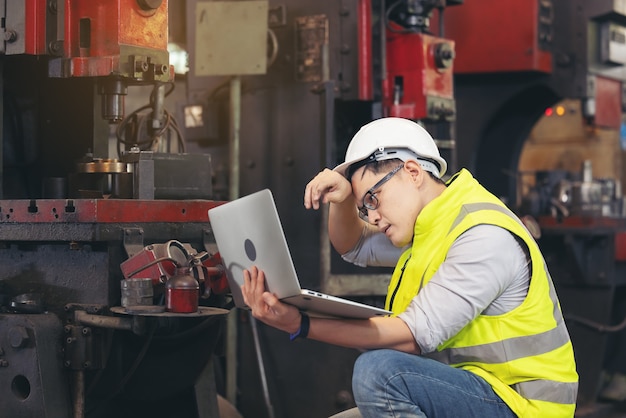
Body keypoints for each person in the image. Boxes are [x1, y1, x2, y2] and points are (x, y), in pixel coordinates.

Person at [241, 117, 578, 417]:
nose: (371, 216)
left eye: (372, 199)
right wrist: (345, 199)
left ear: (413, 172)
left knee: (379, 371)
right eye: (364, 208)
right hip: (473, 391)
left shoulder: (482, 235)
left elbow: (410, 337)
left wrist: (300, 323)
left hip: (520, 406)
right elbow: (353, 245)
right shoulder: (430, 224)